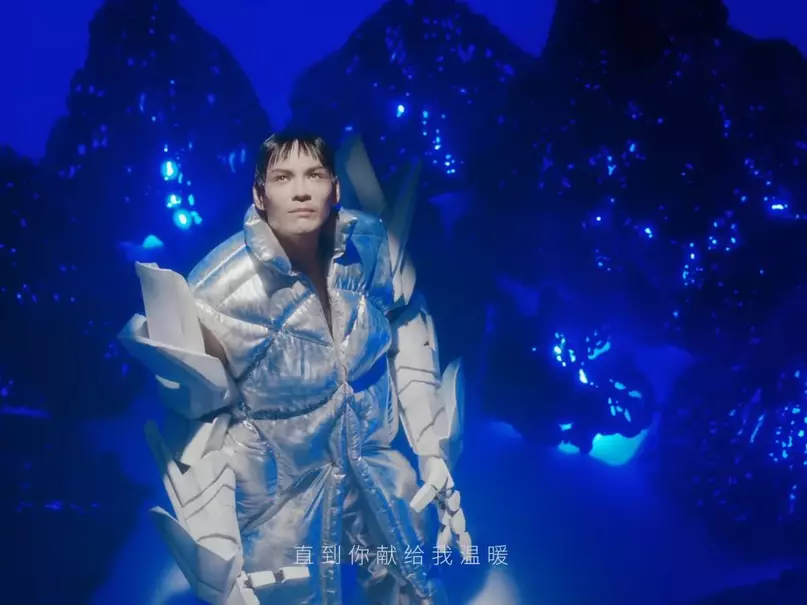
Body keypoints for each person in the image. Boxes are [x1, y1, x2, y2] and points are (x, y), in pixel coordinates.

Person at [119, 132, 469, 605]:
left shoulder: (371, 247)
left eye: (314, 175)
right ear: (259, 193)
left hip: (375, 464)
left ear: (335, 187)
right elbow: (199, 426)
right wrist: (218, 553)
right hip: (278, 499)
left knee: (414, 583)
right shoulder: (217, 293)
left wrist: (431, 443)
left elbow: (405, 324)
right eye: (283, 178)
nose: (301, 191)